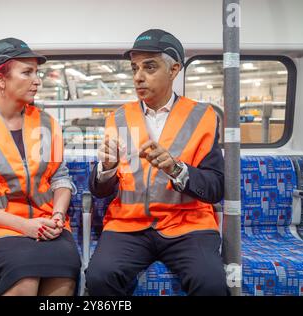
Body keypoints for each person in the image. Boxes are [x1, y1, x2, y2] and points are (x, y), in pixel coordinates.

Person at [85, 29, 228, 296]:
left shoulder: (204, 117)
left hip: (188, 225)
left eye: (149, 67)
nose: (138, 76)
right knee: (99, 278)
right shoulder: (117, 118)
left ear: (174, 70)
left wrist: (177, 169)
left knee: (212, 285)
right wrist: (106, 169)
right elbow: (100, 191)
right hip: (128, 225)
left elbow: (215, 188)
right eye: (135, 68)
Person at [0, 38, 81, 296]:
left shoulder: (47, 124)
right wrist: (24, 227)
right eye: (27, 72)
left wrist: (58, 216)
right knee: (25, 275)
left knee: (65, 271)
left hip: (47, 223)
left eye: (37, 73)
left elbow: (60, 180)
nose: (37, 80)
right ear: (1, 80)